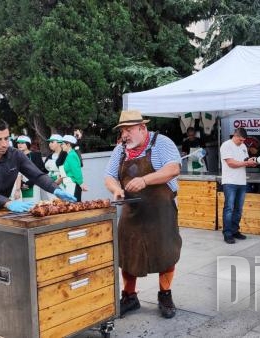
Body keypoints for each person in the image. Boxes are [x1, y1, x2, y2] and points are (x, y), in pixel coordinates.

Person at [0, 118, 76, 306]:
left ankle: (0, 308)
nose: (4, 144)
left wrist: (55, 190)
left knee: (0, 264)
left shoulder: (15, 155)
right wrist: (8, 203)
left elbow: (37, 175)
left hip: (0, 215)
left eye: (7, 138)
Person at [104, 110, 182, 319]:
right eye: (122, 131)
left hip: (161, 210)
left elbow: (173, 169)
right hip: (132, 212)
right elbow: (109, 176)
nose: (125, 135)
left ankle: (165, 294)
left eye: (128, 130)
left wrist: (146, 180)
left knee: (166, 252)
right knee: (128, 254)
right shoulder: (120, 150)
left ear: (142, 128)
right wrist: (116, 190)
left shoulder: (161, 143)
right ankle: (130, 296)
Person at [220, 127, 258, 244]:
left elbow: (244, 160)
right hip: (230, 181)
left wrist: (251, 162)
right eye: (240, 140)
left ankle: (235, 230)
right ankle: (227, 233)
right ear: (235, 136)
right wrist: (246, 162)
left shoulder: (243, 146)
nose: (242, 142)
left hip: (241, 181)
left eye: (243, 140)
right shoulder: (226, 145)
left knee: (238, 209)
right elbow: (231, 163)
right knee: (229, 208)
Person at [13, 135, 47, 202]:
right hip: (20, 185)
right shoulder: (15, 156)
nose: (20, 145)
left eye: (22, 143)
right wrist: (21, 184)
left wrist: (28, 184)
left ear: (28, 144)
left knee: (34, 204)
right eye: (18, 143)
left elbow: (39, 170)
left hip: (34, 183)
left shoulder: (35, 155)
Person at [61, 135, 87, 201]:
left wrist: (81, 183)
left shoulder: (71, 155)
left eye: (63, 144)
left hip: (73, 185)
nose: (61, 146)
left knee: (75, 206)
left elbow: (76, 170)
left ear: (68, 144)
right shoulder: (70, 154)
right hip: (71, 185)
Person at [43, 134, 67, 199]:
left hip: (62, 184)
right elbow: (44, 170)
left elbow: (66, 170)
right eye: (49, 142)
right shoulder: (49, 156)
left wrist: (57, 182)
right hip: (50, 183)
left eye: (52, 142)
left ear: (59, 143)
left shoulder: (65, 154)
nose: (50, 144)